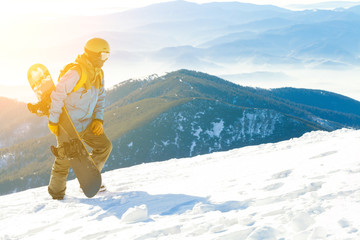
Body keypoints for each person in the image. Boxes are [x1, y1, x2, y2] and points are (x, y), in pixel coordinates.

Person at [47, 37, 113, 200]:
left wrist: (98, 119)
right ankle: (56, 194)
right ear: (93, 54)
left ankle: (90, 179)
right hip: (69, 127)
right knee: (63, 160)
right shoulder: (76, 72)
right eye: (103, 56)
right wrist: (54, 121)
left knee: (104, 146)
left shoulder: (99, 73)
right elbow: (57, 95)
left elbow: (101, 97)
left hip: (88, 124)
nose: (105, 60)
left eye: (107, 56)